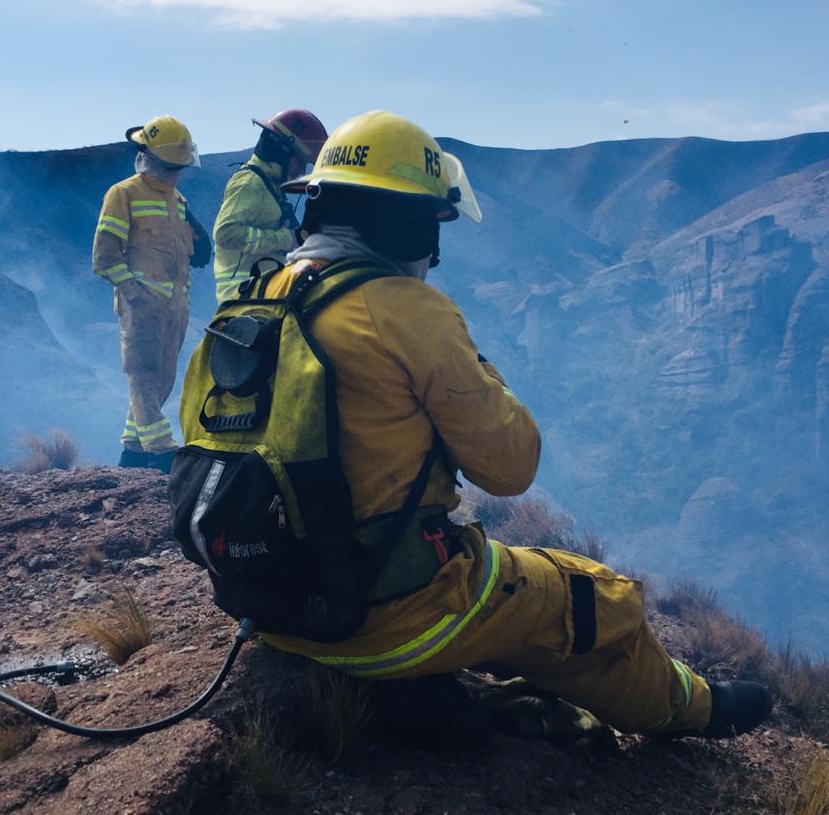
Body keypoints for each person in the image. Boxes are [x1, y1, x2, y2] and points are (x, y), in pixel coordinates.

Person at [248, 110, 772, 738]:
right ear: (410, 226)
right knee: (590, 597)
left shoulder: (261, 295)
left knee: (522, 606)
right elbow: (510, 469)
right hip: (383, 620)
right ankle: (693, 708)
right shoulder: (408, 311)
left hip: (274, 612)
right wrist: (479, 370)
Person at [93, 115, 211, 471]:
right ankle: (161, 452)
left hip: (176, 306)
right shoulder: (123, 194)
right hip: (143, 305)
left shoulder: (178, 199)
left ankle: (131, 451)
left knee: (161, 380)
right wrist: (133, 293)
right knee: (142, 375)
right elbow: (104, 256)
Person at [211, 109, 327, 302]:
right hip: (242, 295)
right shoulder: (249, 183)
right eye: (300, 161)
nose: (301, 170)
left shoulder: (269, 186)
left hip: (260, 291)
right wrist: (284, 239)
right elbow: (226, 234)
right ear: (282, 152)